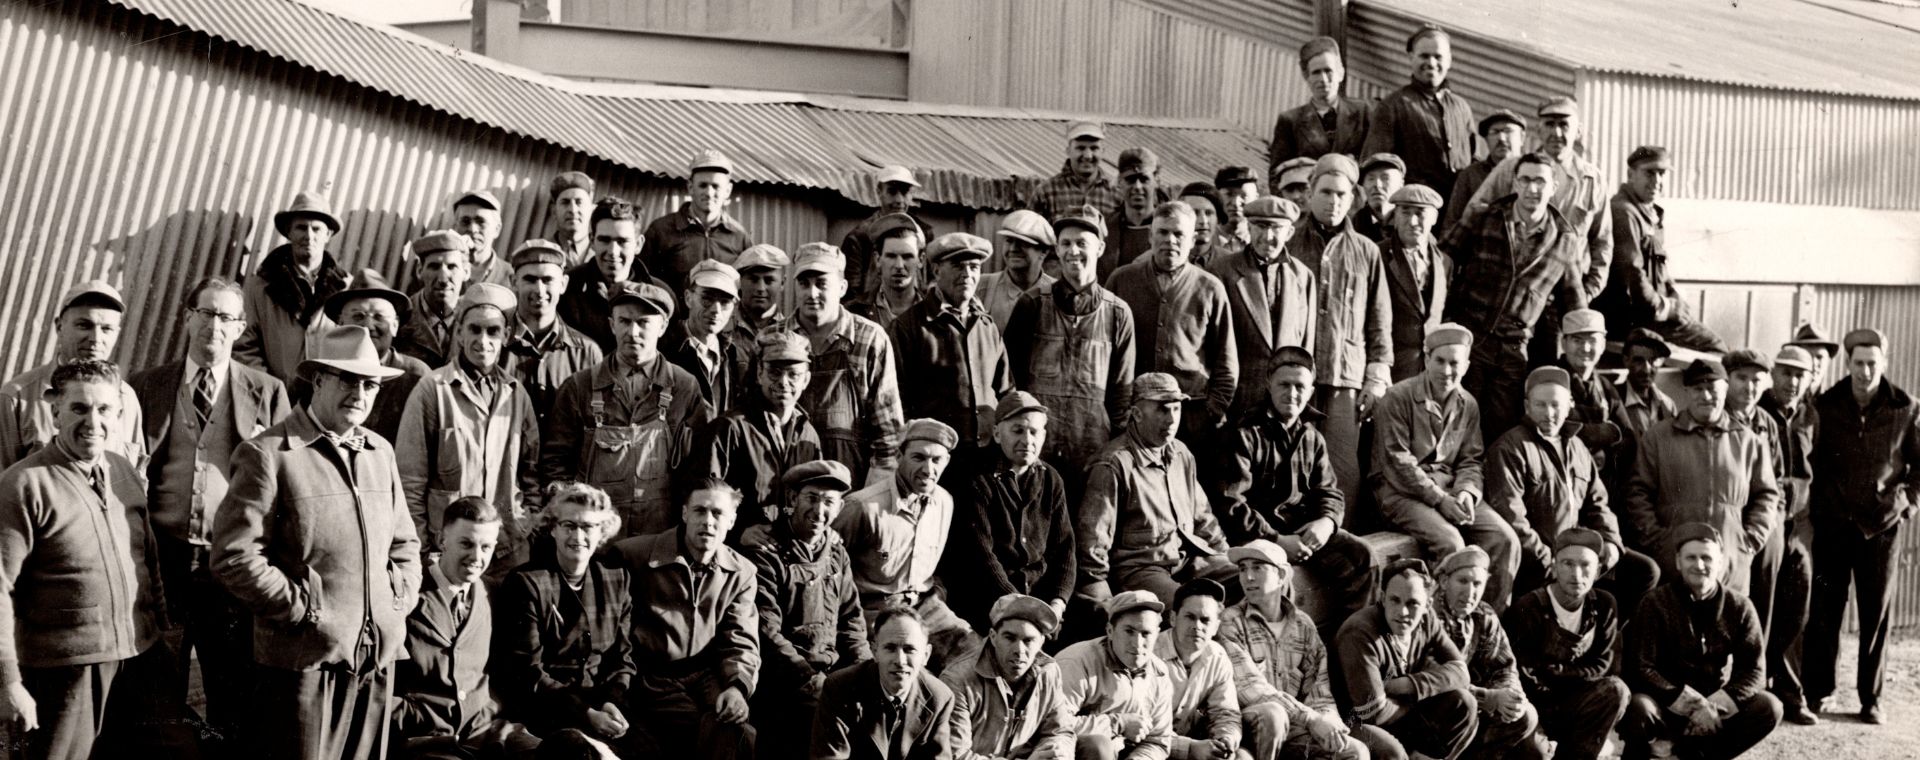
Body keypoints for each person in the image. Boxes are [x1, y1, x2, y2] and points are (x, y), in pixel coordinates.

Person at [212, 325, 423, 760]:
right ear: (319, 380)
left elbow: (405, 544)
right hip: (303, 664)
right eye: (348, 380)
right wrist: (304, 610)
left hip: (374, 659)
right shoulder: (269, 454)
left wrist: (396, 600)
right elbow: (234, 556)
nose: (360, 393)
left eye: (370, 384)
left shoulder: (378, 453)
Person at [0, 361, 193, 760]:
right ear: (54, 411)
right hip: (65, 672)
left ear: (119, 414)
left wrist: (161, 634)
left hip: (140, 658)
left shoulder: (121, 470)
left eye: (104, 410)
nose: (93, 422)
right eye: (79, 409)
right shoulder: (23, 484)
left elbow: (147, 557)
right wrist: (8, 684)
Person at [128, 277, 289, 744]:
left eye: (226, 317)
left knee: (231, 689)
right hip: (165, 559)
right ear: (187, 318)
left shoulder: (267, 391)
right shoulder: (146, 385)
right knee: (159, 687)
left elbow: (279, 481)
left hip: (229, 563)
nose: (214, 326)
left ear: (240, 328)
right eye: (206, 313)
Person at [1214, 347, 1375, 640]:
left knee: (1361, 556)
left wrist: (1326, 523)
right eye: (1284, 384)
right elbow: (1231, 503)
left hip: (1302, 536)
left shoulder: (1311, 436)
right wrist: (1276, 540)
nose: (1292, 393)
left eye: (1300, 386)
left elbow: (1329, 490)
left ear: (1311, 390)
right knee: (1275, 577)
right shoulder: (1245, 433)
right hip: (1259, 538)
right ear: (1268, 385)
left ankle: (1347, 645)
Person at [1805, 328, 1920, 725]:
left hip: (1880, 530)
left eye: (1873, 363)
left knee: (1877, 614)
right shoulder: (1827, 405)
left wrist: (1904, 505)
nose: (1865, 371)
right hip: (1834, 525)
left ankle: (1871, 699)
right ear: (1848, 364)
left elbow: (1918, 469)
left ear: (1883, 364)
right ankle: (1818, 691)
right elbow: (1813, 463)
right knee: (1825, 610)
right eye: (1858, 363)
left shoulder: (1906, 408)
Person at [540, 281, 711, 539]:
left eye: (643, 323)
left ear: (662, 326)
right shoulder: (579, 387)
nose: (633, 332)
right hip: (595, 539)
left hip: (661, 535)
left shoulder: (684, 387)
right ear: (611, 324)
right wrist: (576, 517)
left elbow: (699, 468)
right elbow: (555, 464)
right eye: (625, 321)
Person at [1485, 366, 1658, 617]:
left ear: (1569, 406)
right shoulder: (1511, 448)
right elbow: (1514, 522)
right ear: (1527, 406)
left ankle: (1601, 637)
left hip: (1581, 554)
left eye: (1556, 405)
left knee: (1644, 571)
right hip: (1540, 562)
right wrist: (1551, 562)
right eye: (1540, 405)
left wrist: (1610, 543)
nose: (1549, 414)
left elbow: (1598, 504)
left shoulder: (1577, 447)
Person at [1371, 324, 1520, 612]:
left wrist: (1466, 493)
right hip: (1400, 492)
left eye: (1454, 363)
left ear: (1466, 366)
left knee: (1504, 540)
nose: (1446, 370)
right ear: (1426, 359)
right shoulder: (1398, 397)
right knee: (1450, 543)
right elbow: (1396, 460)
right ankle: (1439, 628)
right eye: (1439, 360)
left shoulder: (1468, 404)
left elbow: (1471, 459)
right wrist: (1440, 500)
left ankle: (1484, 627)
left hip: (1450, 490)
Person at [606, 480, 759, 759]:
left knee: (736, 727)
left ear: (732, 520)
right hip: (651, 675)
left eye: (718, 514)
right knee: (691, 731)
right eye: (700, 511)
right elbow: (615, 630)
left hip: (705, 674)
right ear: (685, 513)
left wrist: (737, 686)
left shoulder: (741, 572)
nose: (708, 522)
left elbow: (740, 637)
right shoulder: (633, 556)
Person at [396, 283, 539, 577]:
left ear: (506, 336)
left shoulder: (516, 394)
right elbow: (410, 480)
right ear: (460, 332)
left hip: (506, 550)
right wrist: (423, 548)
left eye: (493, 331)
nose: (482, 340)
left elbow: (531, 471)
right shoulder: (433, 390)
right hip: (447, 550)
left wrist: (525, 526)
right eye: (474, 329)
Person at [1443, 153, 1588, 440]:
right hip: (1470, 338)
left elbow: (1573, 302)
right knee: (1455, 420)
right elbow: (1444, 258)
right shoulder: (1484, 217)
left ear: (1554, 186)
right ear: (1514, 183)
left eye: (1540, 181)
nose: (1533, 189)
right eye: (1525, 180)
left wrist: (1584, 344)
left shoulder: (1564, 239)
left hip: (1514, 348)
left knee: (1500, 428)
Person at [738, 460, 870, 760]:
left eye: (829, 502)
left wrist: (866, 670)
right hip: (784, 680)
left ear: (839, 509)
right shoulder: (767, 552)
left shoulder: (836, 552)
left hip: (830, 675)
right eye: (811, 498)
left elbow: (851, 619)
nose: (819, 510)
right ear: (793, 500)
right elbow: (767, 631)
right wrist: (810, 679)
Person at [391, 497, 538, 759]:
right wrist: (408, 716)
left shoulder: (491, 591)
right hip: (427, 738)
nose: (477, 557)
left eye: (486, 547)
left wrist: (490, 707)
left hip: (485, 729)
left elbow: (502, 669)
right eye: (466, 544)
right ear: (441, 540)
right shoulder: (407, 594)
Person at [1620, 523, 1781, 760]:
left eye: (1707, 558)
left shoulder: (1739, 606)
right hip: (1665, 702)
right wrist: (1689, 703)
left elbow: (1754, 671)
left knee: (1769, 707)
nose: (1699, 565)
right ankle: (1656, 751)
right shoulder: (1654, 602)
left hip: (1713, 708)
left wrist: (1713, 706)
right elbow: (1641, 666)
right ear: (1678, 562)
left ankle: (1698, 754)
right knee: (1639, 708)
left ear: (1720, 562)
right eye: (1690, 558)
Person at [1286, 154, 1392, 507]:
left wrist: (1376, 376)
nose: (1333, 201)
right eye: (1326, 192)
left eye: (1341, 194)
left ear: (1352, 199)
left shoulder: (1366, 251)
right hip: (1294, 373)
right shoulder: (1290, 244)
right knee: (1291, 463)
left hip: (1344, 376)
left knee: (1342, 469)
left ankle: (1338, 541)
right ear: (1311, 193)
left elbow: (1379, 319)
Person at [1003, 207, 1136, 489]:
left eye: (1081, 243)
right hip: (1037, 448)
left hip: (1092, 451)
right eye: (1065, 243)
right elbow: (1009, 379)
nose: (1072, 251)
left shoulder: (1118, 313)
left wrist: (1113, 453)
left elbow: (1122, 394)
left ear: (1100, 248)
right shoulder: (1033, 304)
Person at [1078, 373, 1236, 609]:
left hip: (1186, 561)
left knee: (1252, 581)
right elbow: (1094, 537)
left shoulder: (1180, 453)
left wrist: (1227, 555)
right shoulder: (1113, 464)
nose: (1172, 420)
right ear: (1137, 414)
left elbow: (1203, 517)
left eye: (1176, 409)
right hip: (1140, 569)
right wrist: (1096, 584)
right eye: (1163, 410)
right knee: (1192, 607)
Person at [493, 482, 636, 741]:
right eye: (569, 526)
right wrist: (586, 713)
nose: (578, 537)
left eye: (588, 527)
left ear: (602, 531)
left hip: (603, 707)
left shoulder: (617, 580)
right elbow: (528, 671)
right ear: (553, 529)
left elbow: (622, 658)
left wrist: (612, 702)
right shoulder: (527, 583)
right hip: (546, 710)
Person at [1624, 359, 1779, 595]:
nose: (1706, 396)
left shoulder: (1749, 442)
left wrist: (1747, 542)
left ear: (1725, 390)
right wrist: (1659, 541)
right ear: (1686, 392)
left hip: (1730, 567)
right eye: (1698, 389)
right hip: (1674, 565)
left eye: (1713, 389)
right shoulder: (1659, 438)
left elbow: (1767, 496)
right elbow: (1637, 492)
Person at [835, 418, 979, 671]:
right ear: (899, 456)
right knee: (890, 672)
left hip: (925, 606)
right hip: (873, 611)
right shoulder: (863, 507)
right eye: (918, 458)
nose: (928, 469)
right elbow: (829, 567)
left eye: (937, 460)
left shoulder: (944, 502)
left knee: (974, 654)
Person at [1458, 98, 1613, 309]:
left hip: (1567, 296)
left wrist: (1588, 291)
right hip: (1513, 296)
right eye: (1549, 124)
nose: (1556, 133)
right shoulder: (1511, 169)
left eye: (1564, 125)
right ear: (1538, 129)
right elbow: (1472, 216)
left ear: (1578, 131)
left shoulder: (1592, 179)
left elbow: (1602, 242)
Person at [1105, 202, 1238, 447]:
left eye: (1179, 234)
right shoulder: (1122, 280)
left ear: (1192, 239)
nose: (1170, 240)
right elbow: (1105, 350)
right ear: (1150, 236)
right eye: (1163, 232)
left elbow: (1226, 361)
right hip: (1137, 413)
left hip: (1191, 414)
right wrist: (1119, 411)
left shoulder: (1209, 288)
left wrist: (1213, 410)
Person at [942, 392, 1077, 632]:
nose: (1027, 440)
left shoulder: (1050, 479)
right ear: (996, 433)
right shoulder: (976, 478)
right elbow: (981, 555)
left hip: (1039, 601)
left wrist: (1057, 602)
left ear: (1044, 436)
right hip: (988, 597)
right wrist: (1022, 609)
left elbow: (1064, 549)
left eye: (1034, 432)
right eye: (1017, 430)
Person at [1216, 541, 1364, 760]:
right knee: (1273, 714)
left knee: (1355, 751)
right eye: (1243, 569)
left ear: (1282, 574)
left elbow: (1319, 689)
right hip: (1250, 727)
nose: (1248, 577)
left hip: (1295, 728)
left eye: (1257, 567)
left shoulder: (1303, 625)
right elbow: (1250, 690)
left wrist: (1329, 722)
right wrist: (1312, 720)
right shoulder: (1230, 622)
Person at [1500, 528, 1631, 760]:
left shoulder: (1603, 605)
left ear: (1598, 570)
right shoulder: (1529, 607)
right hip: (1535, 703)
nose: (1576, 574)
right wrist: (1565, 679)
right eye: (1567, 564)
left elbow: (1602, 664)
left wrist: (1558, 673)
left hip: (1576, 701)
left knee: (1616, 690)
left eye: (1585, 565)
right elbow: (1523, 672)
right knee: (1536, 753)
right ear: (1554, 566)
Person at [681, 330, 823, 540]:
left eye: (793, 374)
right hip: (739, 555)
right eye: (774, 372)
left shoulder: (809, 435)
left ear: (806, 380)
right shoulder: (730, 429)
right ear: (759, 374)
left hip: (788, 553)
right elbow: (701, 502)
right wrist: (739, 534)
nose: (784, 382)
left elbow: (814, 499)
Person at [789, 243, 906, 488]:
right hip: (787, 485)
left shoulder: (869, 339)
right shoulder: (775, 339)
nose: (812, 293)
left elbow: (888, 435)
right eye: (804, 283)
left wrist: (870, 497)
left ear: (842, 288)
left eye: (822, 284)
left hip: (852, 485)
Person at [1337, 559, 1477, 760]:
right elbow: (1373, 713)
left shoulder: (1427, 620)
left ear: (1427, 605)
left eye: (1413, 603)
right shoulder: (1360, 632)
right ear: (1383, 598)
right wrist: (1418, 699)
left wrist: (1408, 684)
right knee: (1392, 751)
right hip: (1352, 722)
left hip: (1396, 711)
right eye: (1395, 600)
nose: (1403, 612)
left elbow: (1461, 671)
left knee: (1464, 703)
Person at [1594, 146, 1727, 353]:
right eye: (1649, 173)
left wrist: (1675, 297)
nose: (1657, 181)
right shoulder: (1623, 212)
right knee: (1716, 348)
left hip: (1651, 313)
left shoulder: (1650, 212)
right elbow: (1632, 274)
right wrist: (1668, 309)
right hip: (1635, 318)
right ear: (1631, 175)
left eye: (1662, 173)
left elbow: (1661, 271)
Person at [0, 282, 146, 470]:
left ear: (117, 334)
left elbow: (135, 479)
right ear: (59, 327)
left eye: (107, 329)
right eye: (84, 325)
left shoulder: (126, 398)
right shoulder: (16, 398)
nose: (96, 338)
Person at [892, 232, 1014, 448]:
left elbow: (1006, 391)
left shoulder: (986, 325)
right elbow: (897, 399)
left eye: (974, 267)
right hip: (936, 458)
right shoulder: (909, 326)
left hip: (986, 455)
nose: (967, 274)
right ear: (937, 271)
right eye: (958, 266)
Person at [1428, 548, 1546, 760]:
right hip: (1433, 711)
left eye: (1477, 584)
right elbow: (1437, 682)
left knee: (1525, 716)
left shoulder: (1482, 615)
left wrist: (1510, 695)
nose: (1470, 592)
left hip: (1471, 707)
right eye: (1463, 581)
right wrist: (1489, 698)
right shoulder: (1428, 617)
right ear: (1444, 582)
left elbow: (1503, 666)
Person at [1207, 196, 1316, 419]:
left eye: (1276, 228)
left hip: (1285, 403)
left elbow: (1307, 346)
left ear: (1289, 233)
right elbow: (1209, 344)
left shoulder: (1303, 276)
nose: (1267, 237)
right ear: (1248, 227)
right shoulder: (1222, 271)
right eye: (1260, 227)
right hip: (1236, 401)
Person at [1756, 345, 1819, 725]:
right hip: (1769, 522)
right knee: (1763, 605)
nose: (1792, 382)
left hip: (1802, 524)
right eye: (1786, 373)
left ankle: (1790, 690)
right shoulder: (1759, 412)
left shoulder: (1811, 416)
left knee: (1798, 606)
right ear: (1773, 374)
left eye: (1800, 375)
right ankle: (1759, 690)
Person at [1157, 579, 1288, 760]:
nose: (1197, 626)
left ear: (1216, 626)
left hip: (1197, 739)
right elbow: (1144, 727)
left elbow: (1225, 712)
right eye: (1190, 617)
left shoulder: (1216, 655)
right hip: (1156, 747)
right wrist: (1191, 748)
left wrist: (1226, 739)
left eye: (1205, 620)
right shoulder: (1150, 653)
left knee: (1249, 749)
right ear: (1173, 618)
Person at [939, 594, 1076, 760]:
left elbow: (1060, 731)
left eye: (1028, 641)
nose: (1019, 649)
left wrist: (1056, 752)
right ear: (993, 637)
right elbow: (956, 755)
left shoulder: (1048, 671)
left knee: (1093, 745)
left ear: (1041, 642)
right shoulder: (958, 679)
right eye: (1009, 638)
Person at [811, 605, 956, 760]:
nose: (900, 661)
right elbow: (829, 757)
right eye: (890, 648)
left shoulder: (940, 698)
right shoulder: (840, 688)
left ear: (926, 655)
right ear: (874, 651)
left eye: (909, 649)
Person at [233, 191, 350, 382]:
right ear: (289, 232)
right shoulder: (259, 286)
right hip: (274, 401)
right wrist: (270, 392)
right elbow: (243, 347)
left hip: (326, 403)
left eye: (316, 229)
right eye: (301, 228)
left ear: (328, 235)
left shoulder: (346, 287)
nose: (308, 235)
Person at [1054, 591, 1175, 760]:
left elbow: (1158, 741)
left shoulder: (1159, 673)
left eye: (1146, 633)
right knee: (1098, 745)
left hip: (1123, 753)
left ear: (1157, 633)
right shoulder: (1077, 662)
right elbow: (1053, 726)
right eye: (1129, 631)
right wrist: (1118, 723)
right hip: (1070, 753)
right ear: (1110, 630)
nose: (1137, 644)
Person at [1361, 25, 1476, 198]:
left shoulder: (1462, 108)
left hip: (1457, 213)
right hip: (1416, 211)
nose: (1431, 63)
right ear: (1411, 58)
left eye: (1438, 57)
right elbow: (1376, 165)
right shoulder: (1392, 106)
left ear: (1449, 61)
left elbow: (1473, 162)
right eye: (1424, 56)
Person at [322, 269, 432, 442]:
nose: (368, 325)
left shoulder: (416, 376)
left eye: (379, 317)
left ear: (395, 326)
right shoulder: (321, 370)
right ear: (340, 323)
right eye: (358, 316)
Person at [503, 240, 604, 423]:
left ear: (563, 284)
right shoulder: (495, 343)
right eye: (530, 279)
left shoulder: (586, 353)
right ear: (513, 282)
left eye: (548, 280)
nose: (539, 290)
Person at [559, 197, 672, 354]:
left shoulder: (660, 293)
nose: (613, 251)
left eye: (622, 241)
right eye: (604, 240)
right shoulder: (568, 288)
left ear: (638, 244)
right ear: (592, 241)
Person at [644, 150, 754, 295]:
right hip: (673, 317)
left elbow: (748, 287)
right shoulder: (660, 230)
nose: (709, 193)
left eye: (716, 186)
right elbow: (643, 281)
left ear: (728, 190)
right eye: (703, 185)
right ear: (690, 187)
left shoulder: (739, 236)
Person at [1377, 184, 1451, 382]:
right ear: (1395, 217)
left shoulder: (1444, 262)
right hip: (1392, 365)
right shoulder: (1378, 255)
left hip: (1430, 369)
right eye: (1405, 212)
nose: (1412, 221)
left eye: (1420, 213)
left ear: (1434, 218)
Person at [1268, 36, 1370, 168]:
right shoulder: (1290, 121)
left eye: (1328, 71)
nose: (1323, 79)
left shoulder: (1363, 112)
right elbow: (1277, 174)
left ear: (1341, 73)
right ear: (1306, 77)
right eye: (1316, 72)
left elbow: (1374, 161)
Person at [661, 259, 747, 412]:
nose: (716, 309)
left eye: (725, 302)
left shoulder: (733, 354)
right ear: (688, 298)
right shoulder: (664, 347)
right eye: (707, 298)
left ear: (734, 308)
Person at [1548, 309, 1627, 472]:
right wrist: (1602, 433)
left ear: (1603, 345)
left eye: (1592, 341)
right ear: (1563, 343)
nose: (1585, 348)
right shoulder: (1549, 381)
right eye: (1577, 340)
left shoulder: (1605, 388)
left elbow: (1628, 439)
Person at [839, 166, 930, 294]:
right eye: (892, 192)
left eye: (904, 193)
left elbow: (931, 281)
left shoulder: (924, 233)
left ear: (911, 195)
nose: (899, 200)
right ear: (879, 192)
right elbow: (851, 290)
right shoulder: (859, 237)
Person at [395, 230, 475, 369]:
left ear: (466, 272)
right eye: (434, 267)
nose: (443, 279)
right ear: (419, 271)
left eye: (452, 267)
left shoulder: (476, 320)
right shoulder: (399, 319)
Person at [1440, 110, 1526, 237]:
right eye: (1494, 132)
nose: (1501, 138)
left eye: (1508, 131)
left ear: (1522, 138)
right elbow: (1452, 222)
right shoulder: (1470, 174)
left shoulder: (1535, 172)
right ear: (1486, 140)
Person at [977, 210, 1057, 330]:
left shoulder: (1058, 294)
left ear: (1044, 252)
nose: (1013, 248)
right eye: (1009, 241)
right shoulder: (981, 287)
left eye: (1023, 243)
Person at [845, 213, 924, 329]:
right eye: (891, 256)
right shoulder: (852, 313)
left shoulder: (936, 314)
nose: (899, 265)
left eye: (907, 256)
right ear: (877, 259)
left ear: (920, 260)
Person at [1030, 121, 1120, 221]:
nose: (1088, 155)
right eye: (1081, 148)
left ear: (1103, 152)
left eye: (1094, 148)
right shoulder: (1045, 192)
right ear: (1068, 151)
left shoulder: (1116, 193)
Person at [1101, 148, 1165, 281]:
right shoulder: (1104, 229)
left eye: (1144, 179)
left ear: (1157, 181)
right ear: (1119, 182)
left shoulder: (1168, 227)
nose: (1137, 186)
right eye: (1130, 179)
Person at [729, 244, 792, 353]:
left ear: (782, 283)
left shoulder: (792, 333)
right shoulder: (722, 327)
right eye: (753, 280)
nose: (760, 288)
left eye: (769, 280)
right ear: (739, 282)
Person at [448, 190, 511, 291]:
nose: (472, 229)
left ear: (496, 230)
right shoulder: (440, 269)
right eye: (465, 221)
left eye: (481, 222)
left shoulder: (511, 276)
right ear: (455, 228)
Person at [1350, 153, 1405, 243]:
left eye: (1385, 178)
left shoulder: (1411, 222)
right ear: (1363, 185)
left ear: (1401, 184)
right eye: (1371, 179)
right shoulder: (1353, 227)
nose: (1377, 185)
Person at [546, 171, 596, 266]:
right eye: (565, 202)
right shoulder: (541, 250)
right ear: (554, 211)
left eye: (579, 202)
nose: (572, 210)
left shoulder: (602, 252)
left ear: (592, 210)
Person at [1178, 182, 1228, 270]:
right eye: (1194, 213)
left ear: (1218, 219)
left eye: (1209, 213)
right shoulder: (1168, 258)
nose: (1203, 221)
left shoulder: (1229, 262)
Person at [1213, 166, 1260, 258]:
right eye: (1229, 194)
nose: (1235, 203)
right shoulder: (1202, 242)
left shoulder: (1263, 242)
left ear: (1256, 199)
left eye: (1244, 196)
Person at [1789, 323, 1841, 398]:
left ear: (1828, 361)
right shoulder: (1785, 398)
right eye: (1807, 356)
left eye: (1819, 357)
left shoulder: (1834, 401)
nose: (1813, 363)